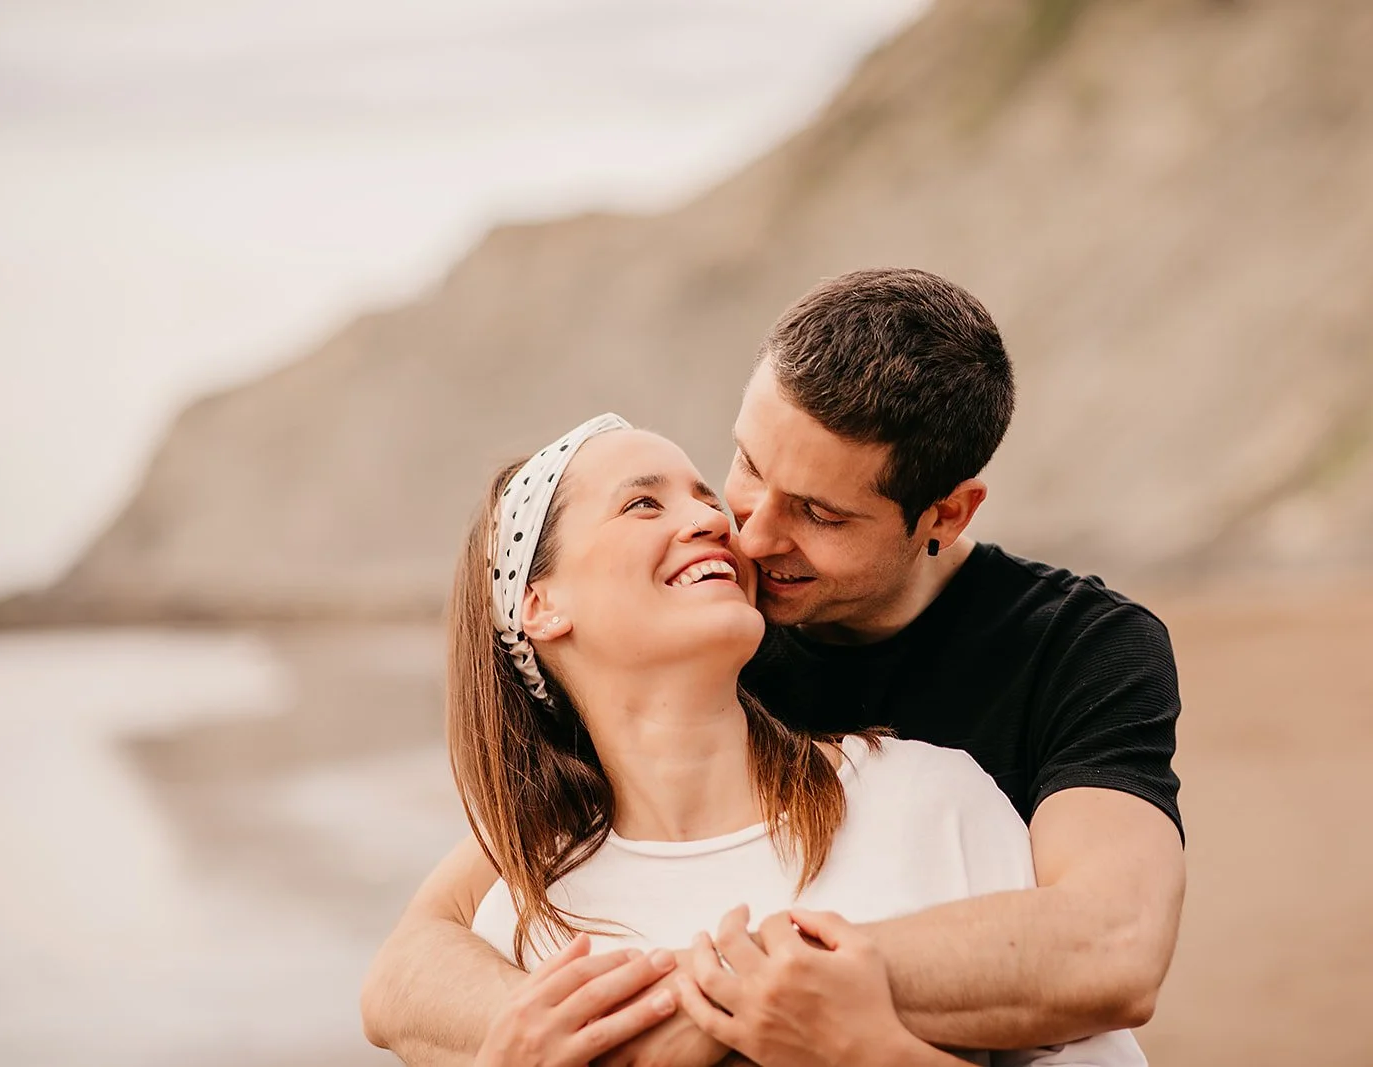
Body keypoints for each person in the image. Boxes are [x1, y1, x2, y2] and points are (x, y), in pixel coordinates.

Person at [361, 269, 1186, 1066]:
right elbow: (410, 964)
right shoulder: (697, 652)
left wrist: (741, 1000)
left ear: (946, 512)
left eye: (820, 514)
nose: (745, 537)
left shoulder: (1065, 663)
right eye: (749, 467)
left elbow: (1108, 944)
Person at [441, 412, 1143, 1066]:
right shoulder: (520, 924)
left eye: (706, 496)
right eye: (643, 504)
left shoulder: (928, 800)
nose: (716, 521)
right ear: (541, 605)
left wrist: (872, 1052)